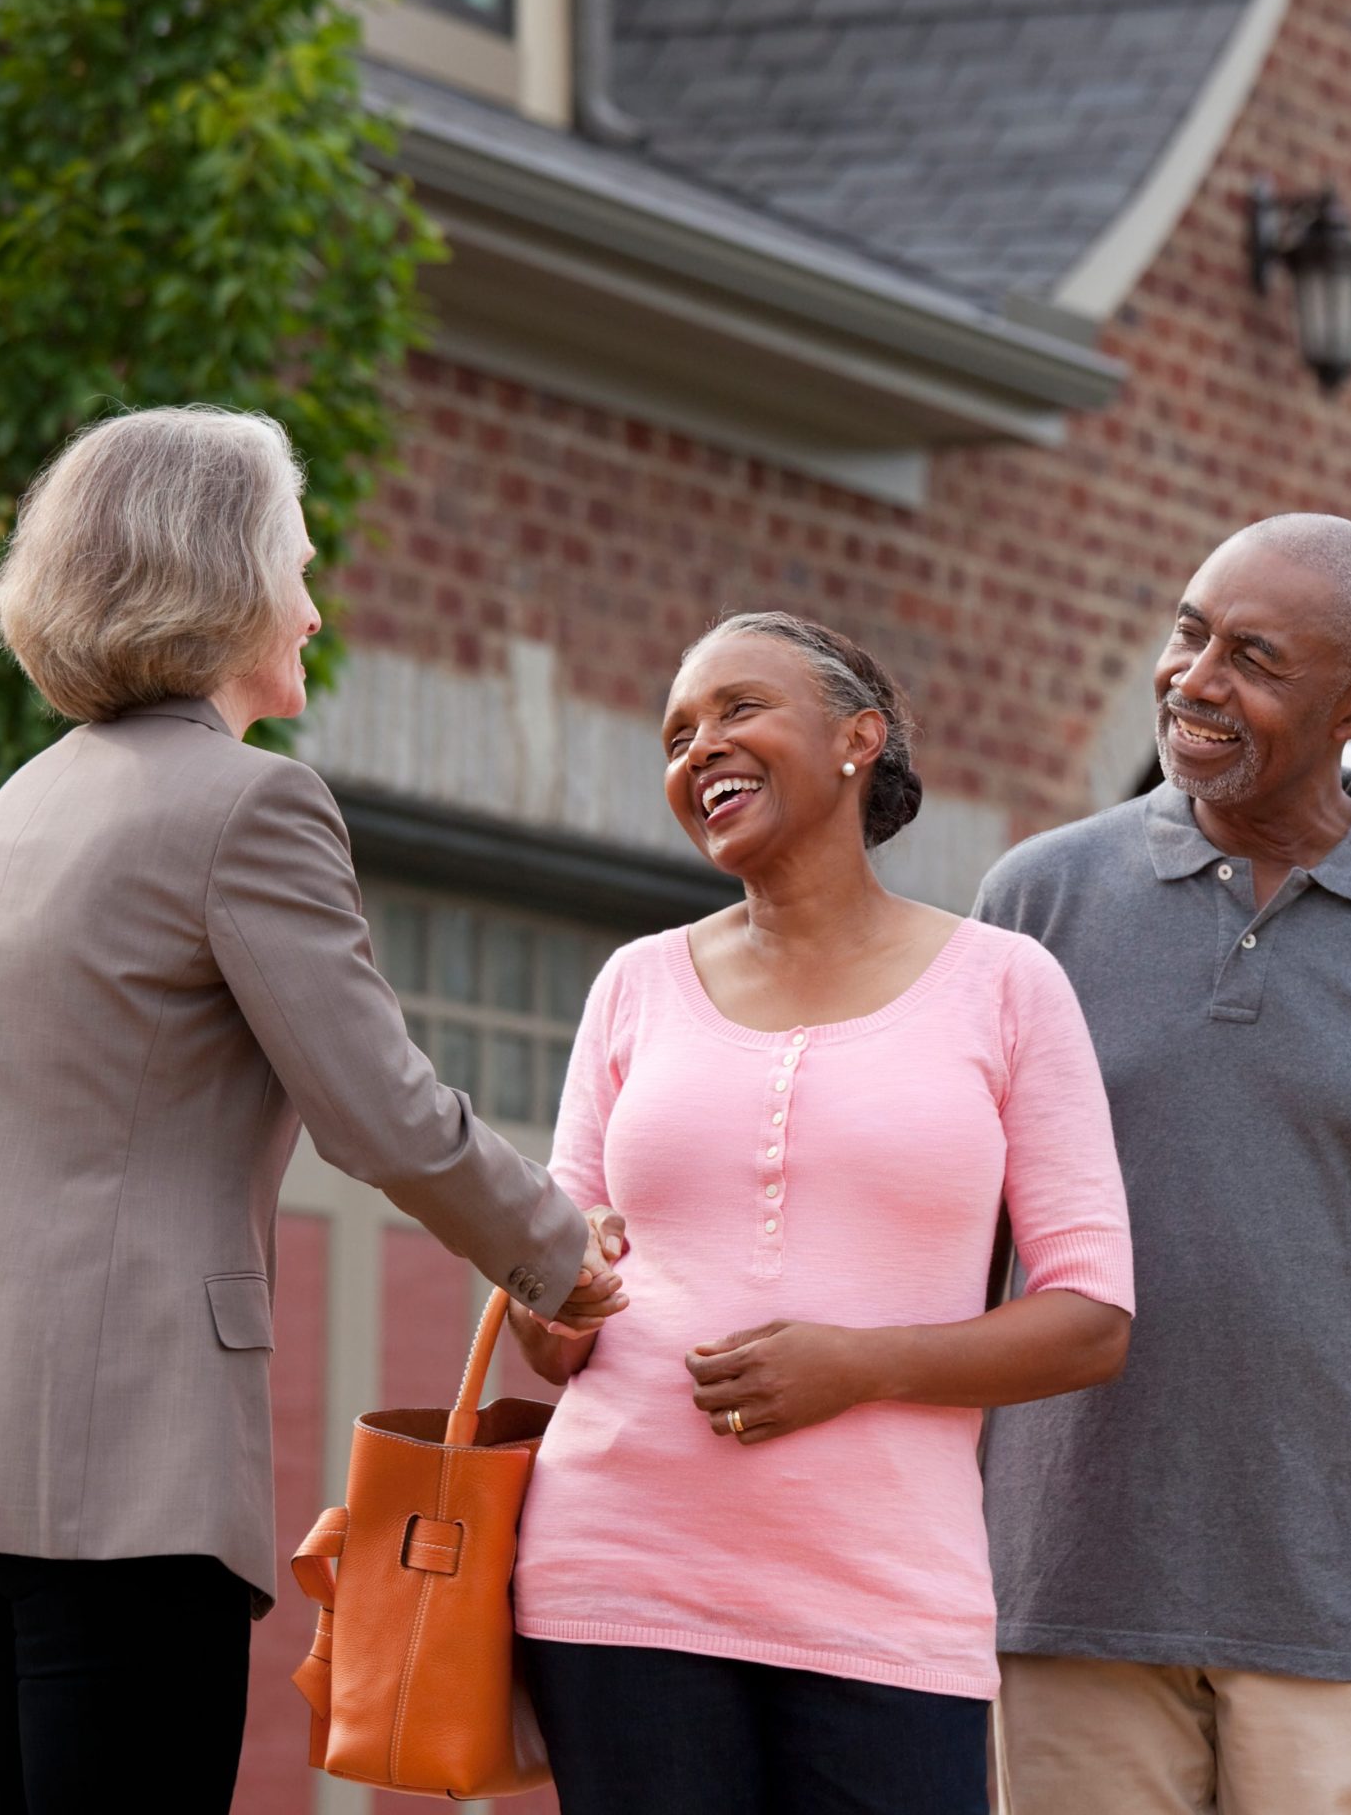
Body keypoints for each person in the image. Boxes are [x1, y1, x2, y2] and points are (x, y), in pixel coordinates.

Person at [0, 406, 629, 1815]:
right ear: (227, 581)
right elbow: (378, 1111)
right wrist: (561, 1257)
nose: (315, 606)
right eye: (299, 566)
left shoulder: (5, 816)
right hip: (124, 1461)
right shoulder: (254, 809)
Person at [975, 515, 1351, 1815]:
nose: (1195, 680)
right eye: (1189, 632)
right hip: (1063, 1586)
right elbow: (958, 1244)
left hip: (1349, 1611)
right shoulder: (1036, 903)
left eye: (1252, 658)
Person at [501, 611, 1136, 1815]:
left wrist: (857, 1366)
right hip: (620, 1576)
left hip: (885, 1604)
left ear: (860, 738)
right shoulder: (634, 984)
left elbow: (1091, 1320)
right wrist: (551, 1283)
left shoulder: (1005, 987)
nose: (698, 749)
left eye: (738, 710)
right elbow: (554, 1336)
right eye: (676, 733)